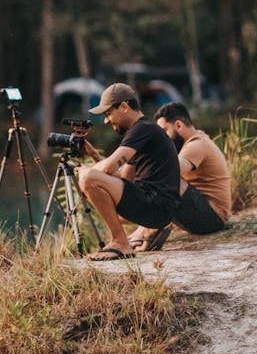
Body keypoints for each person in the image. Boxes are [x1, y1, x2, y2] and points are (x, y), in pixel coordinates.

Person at [77, 82, 181, 261]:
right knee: (98, 189)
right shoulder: (143, 130)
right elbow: (123, 178)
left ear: (124, 107)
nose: (106, 120)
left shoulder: (142, 129)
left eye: (108, 113)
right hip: (158, 208)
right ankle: (128, 237)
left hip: (156, 205)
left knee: (88, 177)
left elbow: (109, 169)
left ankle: (120, 242)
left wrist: (86, 174)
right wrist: (93, 155)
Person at [128, 102, 231, 252]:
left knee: (168, 178)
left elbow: (167, 172)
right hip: (205, 215)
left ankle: (146, 230)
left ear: (179, 125)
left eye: (164, 131)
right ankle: (148, 228)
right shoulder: (192, 143)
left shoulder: (197, 145)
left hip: (213, 219)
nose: (163, 137)